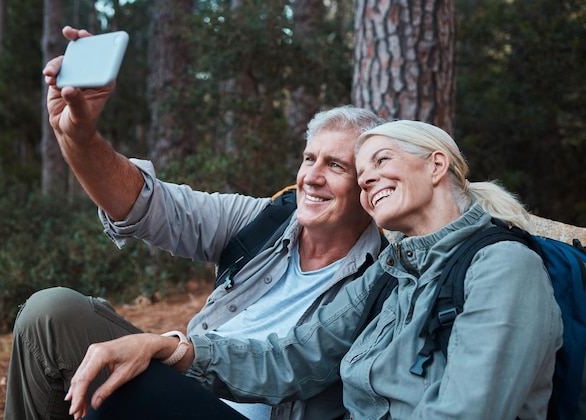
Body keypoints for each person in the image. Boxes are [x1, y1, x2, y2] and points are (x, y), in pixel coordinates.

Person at [3, 27, 387, 420]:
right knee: (49, 314)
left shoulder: (383, 277)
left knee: (124, 388)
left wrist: (174, 350)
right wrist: (79, 139)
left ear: (368, 184)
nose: (312, 177)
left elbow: (294, 364)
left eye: (336, 165)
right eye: (310, 159)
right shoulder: (266, 221)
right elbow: (147, 205)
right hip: (185, 381)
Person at [64, 119, 563, 420]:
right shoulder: (392, 270)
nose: (370, 181)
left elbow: (471, 412)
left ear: (435, 166)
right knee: (128, 388)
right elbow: (296, 357)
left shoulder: (502, 267)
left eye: (379, 161)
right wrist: (174, 349)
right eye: (364, 175)